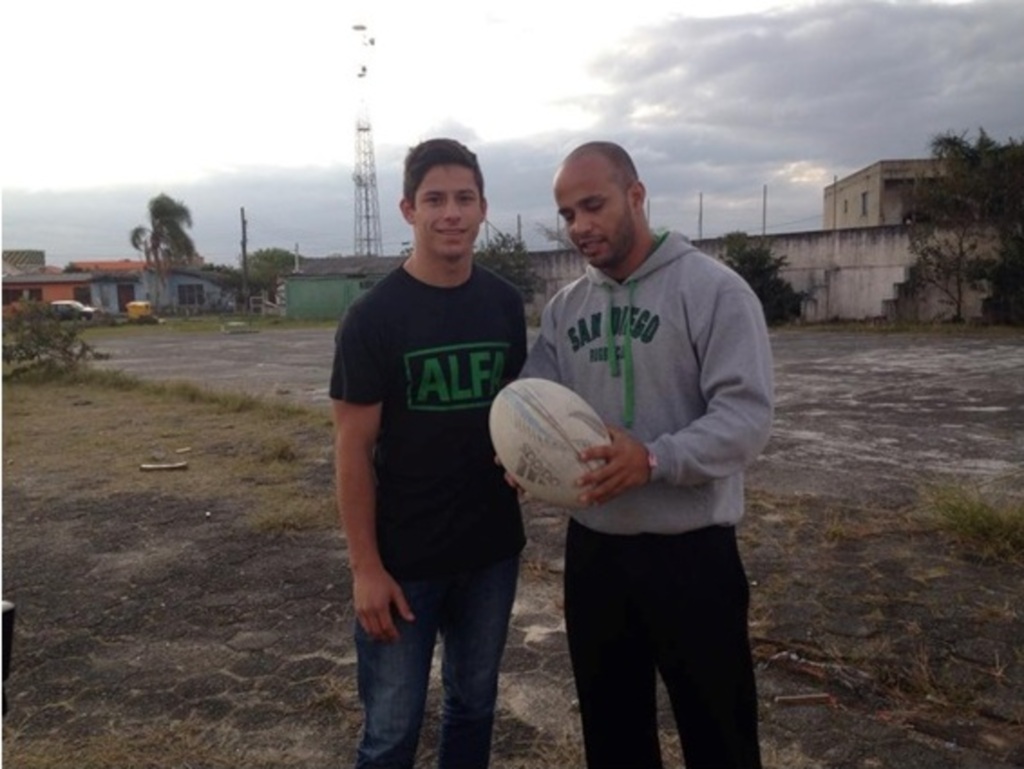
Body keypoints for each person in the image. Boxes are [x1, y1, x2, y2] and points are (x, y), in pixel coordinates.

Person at [520, 141, 774, 769]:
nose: (579, 226)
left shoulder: (714, 291)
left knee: (720, 736)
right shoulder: (565, 309)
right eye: (567, 213)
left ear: (636, 196)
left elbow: (745, 419)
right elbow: (534, 404)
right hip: (596, 554)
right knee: (613, 739)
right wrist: (520, 451)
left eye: (593, 205)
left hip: (692, 553)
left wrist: (654, 459)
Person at [330, 137, 527, 769]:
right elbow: (352, 450)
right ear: (408, 209)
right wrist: (366, 569)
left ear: (483, 208)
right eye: (435, 199)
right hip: (403, 560)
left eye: (464, 198)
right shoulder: (372, 318)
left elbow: (518, 417)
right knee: (391, 731)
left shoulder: (503, 303)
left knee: (473, 708)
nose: (451, 213)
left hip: (491, 551)